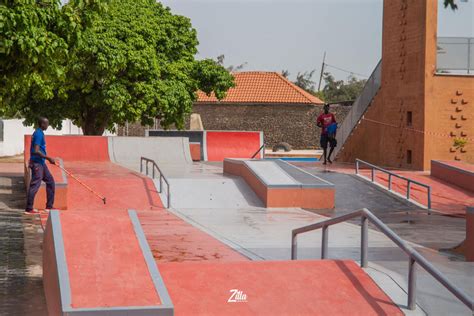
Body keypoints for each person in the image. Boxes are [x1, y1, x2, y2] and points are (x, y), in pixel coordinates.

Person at [25, 117, 56, 215]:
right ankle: (29, 209)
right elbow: (36, 150)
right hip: (37, 163)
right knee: (35, 185)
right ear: (42, 124)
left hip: (41, 163)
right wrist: (48, 158)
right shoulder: (38, 134)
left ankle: (49, 206)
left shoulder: (40, 133)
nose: (47, 125)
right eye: (46, 124)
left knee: (50, 182)